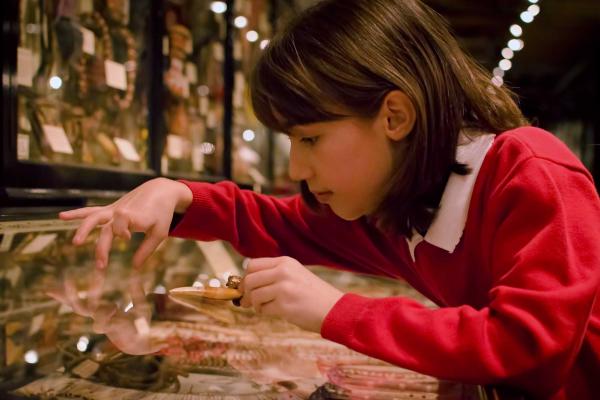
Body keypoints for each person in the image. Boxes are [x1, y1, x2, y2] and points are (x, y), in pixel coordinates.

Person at [59, 0, 600, 398]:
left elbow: (530, 350)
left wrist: (335, 311)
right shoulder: (405, 205)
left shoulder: (531, 170)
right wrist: (176, 194)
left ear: (394, 116)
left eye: (310, 139)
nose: (296, 168)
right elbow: (285, 222)